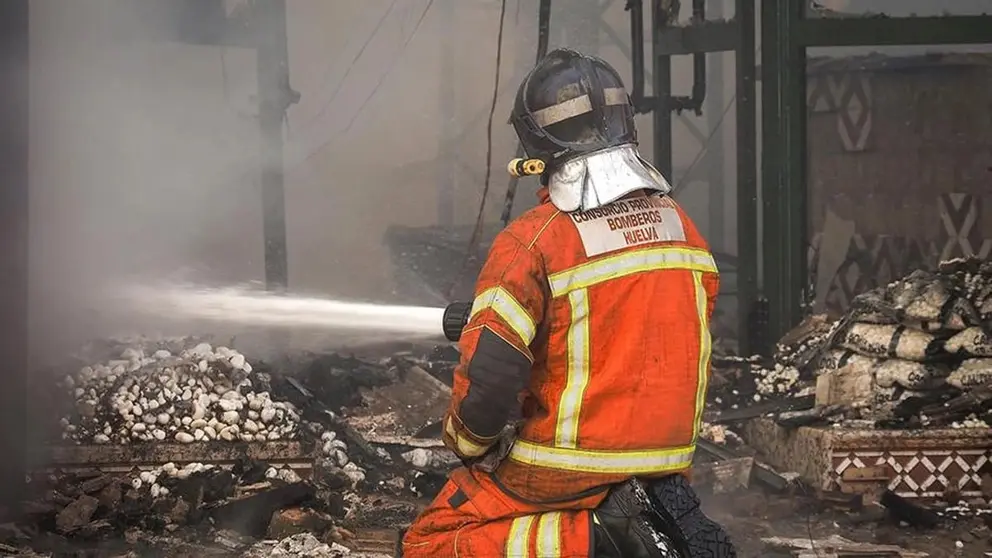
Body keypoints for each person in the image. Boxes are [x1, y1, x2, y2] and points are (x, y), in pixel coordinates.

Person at [402, 48, 736, 558]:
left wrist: (467, 442)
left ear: (536, 145)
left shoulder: (534, 241)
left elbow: (492, 380)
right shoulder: (681, 227)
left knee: (431, 543)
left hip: (566, 466)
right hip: (667, 462)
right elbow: (645, 325)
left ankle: (605, 539)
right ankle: (629, 518)